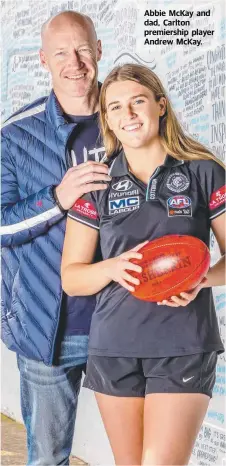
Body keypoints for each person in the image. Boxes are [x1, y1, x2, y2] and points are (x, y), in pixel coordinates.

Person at [61, 64, 226, 465]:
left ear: (161, 106)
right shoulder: (96, 182)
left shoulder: (204, 171)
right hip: (114, 345)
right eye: (115, 107)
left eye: (138, 101)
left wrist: (200, 278)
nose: (128, 114)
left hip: (183, 344)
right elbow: (72, 278)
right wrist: (112, 267)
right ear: (108, 120)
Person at [1, 11, 111, 465]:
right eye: (61, 53)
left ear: (99, 50)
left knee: (145, 454)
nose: (75, 63)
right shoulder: (15, 135)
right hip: (51, 325)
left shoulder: (133, 113)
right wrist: (57, 198)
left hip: (127, 321)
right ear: (44, 61)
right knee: (48, 457)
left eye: (83, 49)